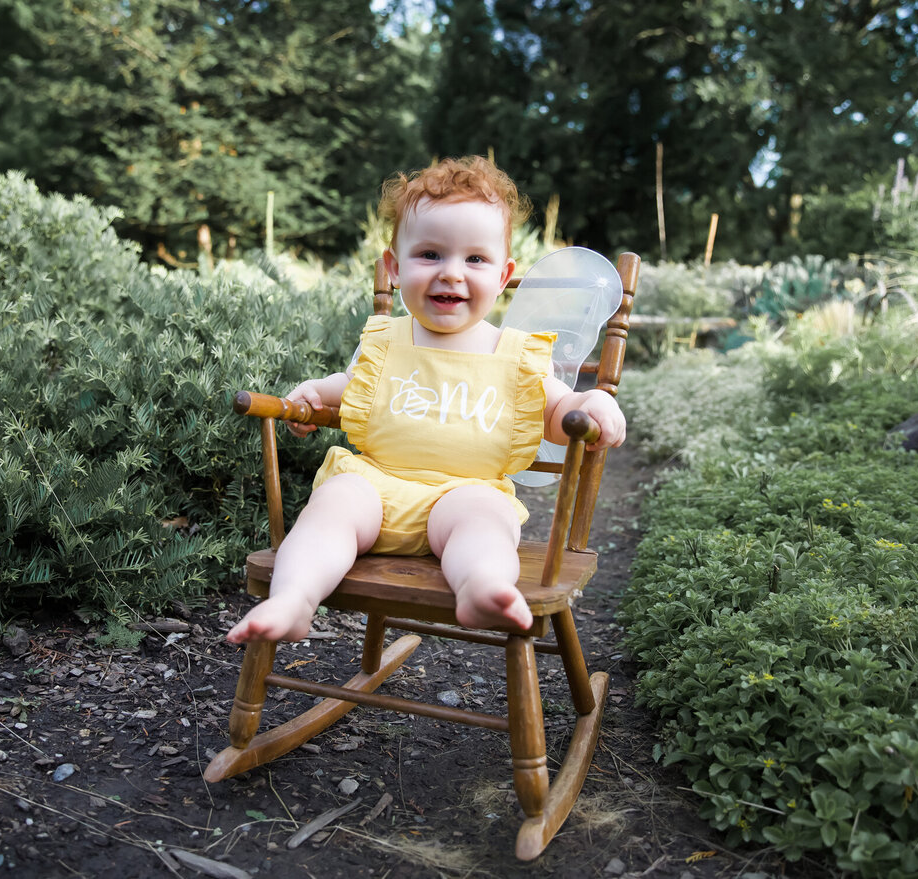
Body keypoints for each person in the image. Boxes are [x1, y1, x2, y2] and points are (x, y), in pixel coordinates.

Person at [226, 156, 625, 644]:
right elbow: (351, 385)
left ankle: (481, 587)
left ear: (503, 276)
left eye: (475, 259)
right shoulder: (386, 339)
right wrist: (309, 396)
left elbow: (558, 413)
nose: (452, 274)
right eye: (430, 255)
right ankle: (294, 598)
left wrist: (593, 406)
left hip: (465, 491)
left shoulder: (517, 356)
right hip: (376, 485)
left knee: (484, 523)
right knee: (330, 507)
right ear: (395, 268)